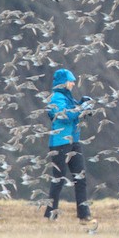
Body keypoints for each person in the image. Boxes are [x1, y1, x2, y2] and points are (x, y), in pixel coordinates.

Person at [44, 68, 93, 221]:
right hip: (60, 144)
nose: (73, 83)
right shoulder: (56, 97)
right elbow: (65, 115)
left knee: (81, 178)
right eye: (71, 81)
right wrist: (81, 109)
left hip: (73, 142)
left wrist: (83, 104)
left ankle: (84, 215)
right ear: (63, 83)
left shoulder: (67, 97)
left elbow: (73, 109)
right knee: (58, 179)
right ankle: (50, 215)